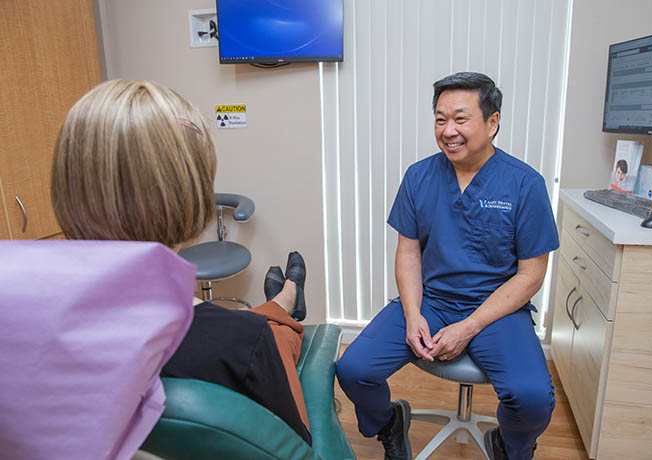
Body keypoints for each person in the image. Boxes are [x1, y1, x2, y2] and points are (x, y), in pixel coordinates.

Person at [50, 79, 312, 445]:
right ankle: (287, 301)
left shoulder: (28, 327)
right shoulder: (238, 342)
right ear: (189, 194)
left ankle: (283, 301)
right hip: (247, 342)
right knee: (272, 333)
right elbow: (297, 448)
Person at [336, 72, 559, 460]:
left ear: (493, 122)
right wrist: (411, 315)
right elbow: (407, 253)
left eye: (460, 118)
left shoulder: (525, 184)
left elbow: (531, 275)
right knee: (354, 369)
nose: (448, 130)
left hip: (495, 310)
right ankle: (389, 423)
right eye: (440, 119)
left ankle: (511, 444)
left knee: (533, 399)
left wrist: (470, 326)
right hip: (432, 301)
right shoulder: (419, 176)